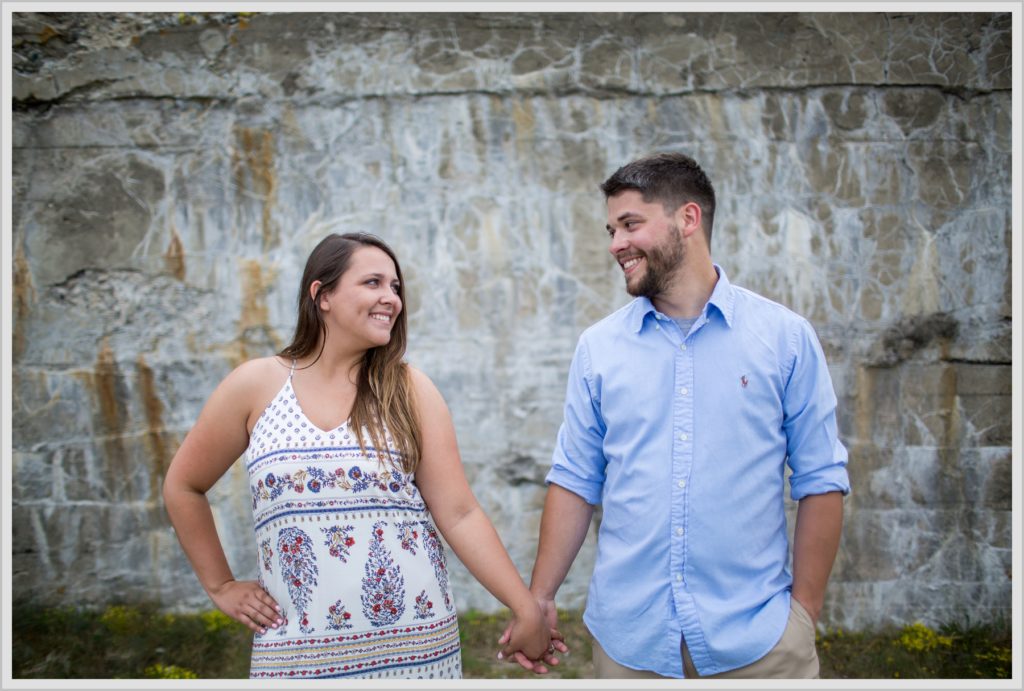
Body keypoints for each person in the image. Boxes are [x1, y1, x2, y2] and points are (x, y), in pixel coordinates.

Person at [500, 152, 850, 678]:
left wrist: (803, 615)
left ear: (688, 219)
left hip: (759, 644)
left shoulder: (785, 338)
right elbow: (575, 480)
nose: (616, 244)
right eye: (612, 229)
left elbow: (821, 479)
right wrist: (541, 598)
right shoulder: (599, 348)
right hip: (630, 645)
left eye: (630, 224)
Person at [163, 232, 562, 679]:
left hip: (415, 651)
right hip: (298, 654)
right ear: (322, 295)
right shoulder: (255, 385)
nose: (390, 298)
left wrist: (523, 606)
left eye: (395, 287)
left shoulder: (410, 389)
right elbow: (183, 486)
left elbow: (460, 512)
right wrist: (220, 584)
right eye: (373, 282)